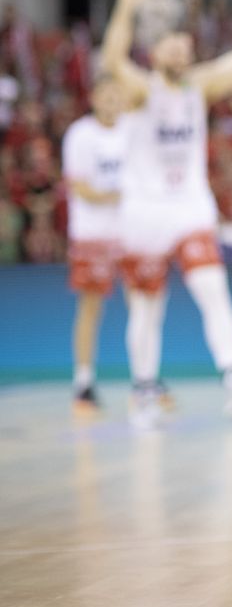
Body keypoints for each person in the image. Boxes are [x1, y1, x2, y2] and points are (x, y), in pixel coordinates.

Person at [102, 0, 232, 426]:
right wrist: (125, 6)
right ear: (153, 50)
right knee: (146, 308)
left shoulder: (199, 85)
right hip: (144, 213)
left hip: (189, 208)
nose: (180, 48)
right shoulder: (142, 89)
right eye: (170, 44)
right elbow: (112, 60)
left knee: (212, 289)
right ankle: (144, 390)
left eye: (185, 42)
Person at [61, 75, 129, 414]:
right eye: (106, 95)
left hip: (130, 233)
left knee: (142, 304)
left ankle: (144, 380)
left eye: (117, 96)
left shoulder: (133, 131)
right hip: (92, 234)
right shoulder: (81, 134)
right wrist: (118, 195)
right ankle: (84, 382)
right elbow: (80, 186)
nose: (112, 102)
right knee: (91, 307)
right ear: (93, 98)